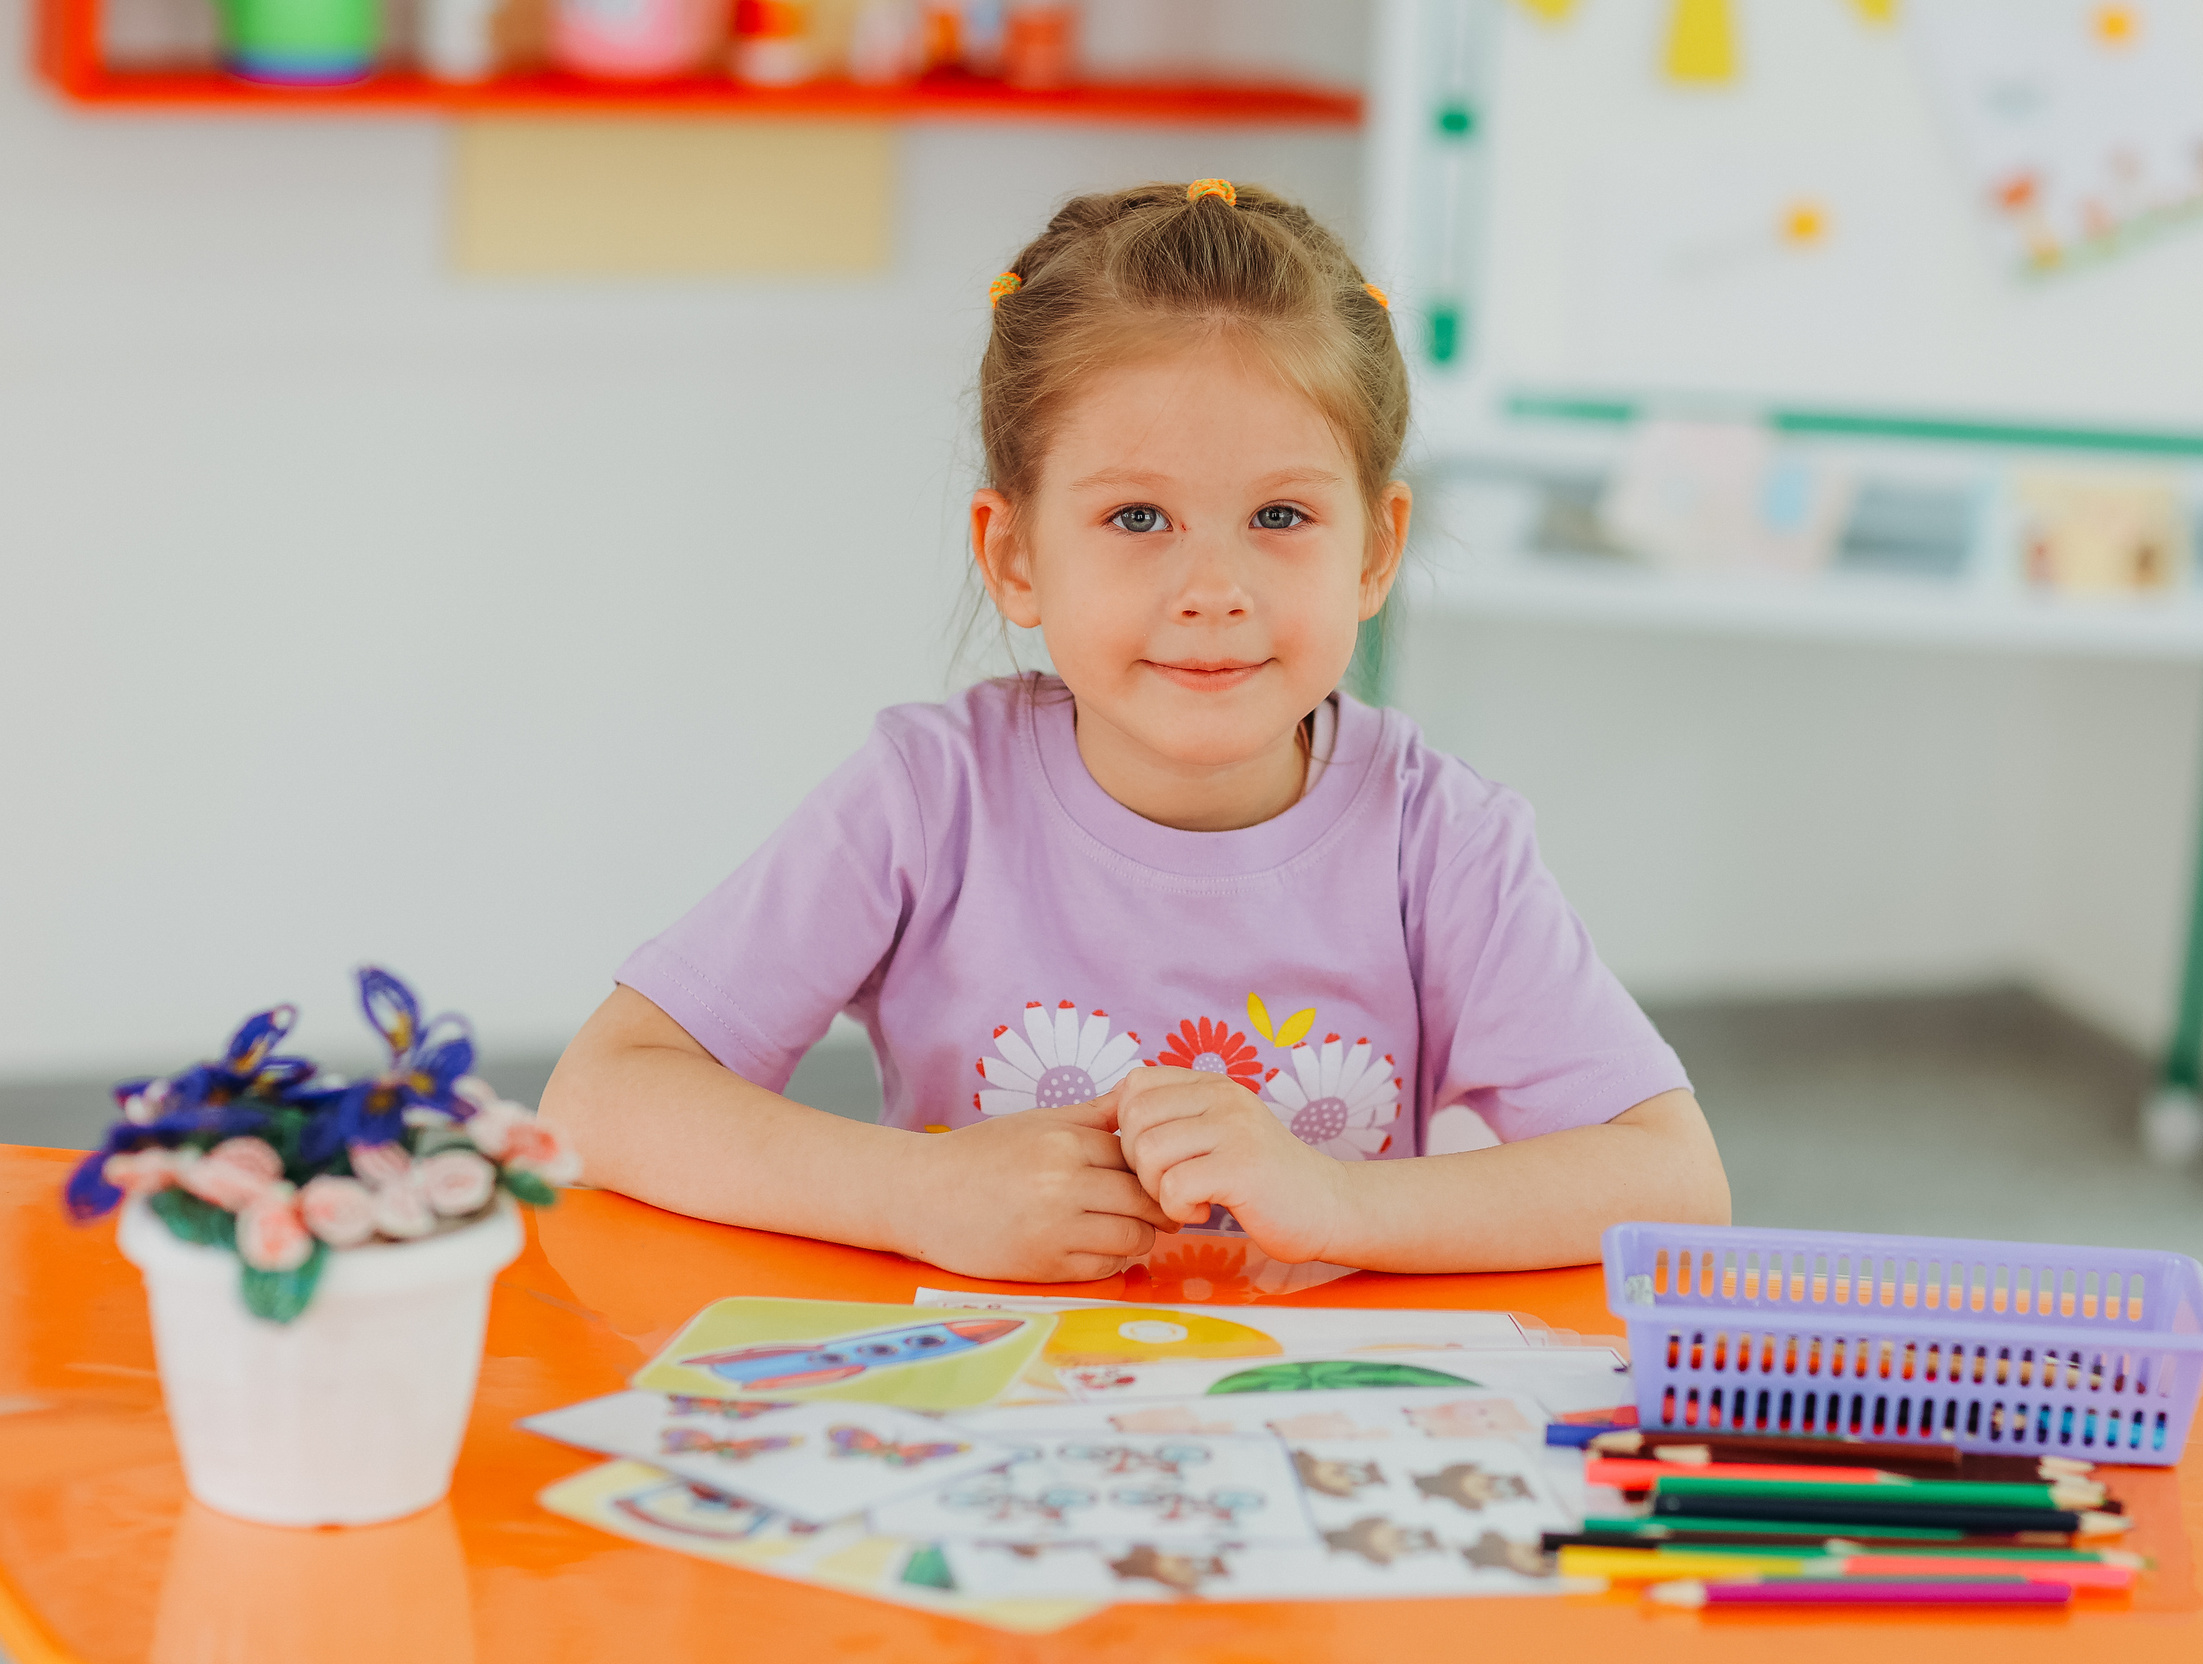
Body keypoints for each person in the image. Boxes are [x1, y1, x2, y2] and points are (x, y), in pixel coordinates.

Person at [542, 179, 1730, 1283]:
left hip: (1317, 1440)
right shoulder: (927, 797)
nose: (1212, 588)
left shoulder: (1439, 837)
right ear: (1015, 555)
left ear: (1373, 548)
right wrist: (913, 1193)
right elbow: (601, 1098)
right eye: (1136, 516)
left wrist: (1339, 1205)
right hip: (986, 1430)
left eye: (1279, 514)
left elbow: (1673, 1183)